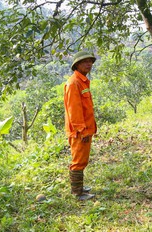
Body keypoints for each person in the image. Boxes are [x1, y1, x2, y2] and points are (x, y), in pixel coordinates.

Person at [64, 51, 97, 201]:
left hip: (86, 129)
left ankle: (80, 187)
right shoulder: (74, 83)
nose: (88, 64)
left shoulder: (82, 81)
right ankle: (77, 193)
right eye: (85, 62)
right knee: (78, 161)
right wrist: (82, 130)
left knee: (82, 159)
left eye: (90, 61)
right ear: (77, 65)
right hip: (79, 131)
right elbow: (74, 110)